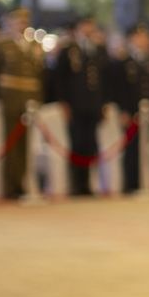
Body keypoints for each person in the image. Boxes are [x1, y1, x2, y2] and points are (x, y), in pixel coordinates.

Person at [49, 16, 106, 196]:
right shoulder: (69, 50)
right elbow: (59, 79)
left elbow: (103, 79)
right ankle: (76, 183)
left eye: (91, 26)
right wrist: (64, 102)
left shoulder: (97, 50)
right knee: (77, 143)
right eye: (85, 26)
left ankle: (88, 184)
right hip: (75, 105)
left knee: (91, 144)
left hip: (93, 105)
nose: (88, 29)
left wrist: (103, 103)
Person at [0, 7, 44, 200]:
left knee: (25, 144)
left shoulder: (34, 45)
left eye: (25, 21)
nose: (22, 24)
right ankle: (10, 185)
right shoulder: (4, 44)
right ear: (11, 23)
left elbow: (39, 76)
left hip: (28, 100)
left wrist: (38, 99)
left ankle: (21, 182)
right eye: (18, 21)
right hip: (10, 99)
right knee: (11, 143)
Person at [106, 23, 149, 194]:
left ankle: (146, 182)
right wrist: (124, 110)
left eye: (145, 37)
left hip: (147, 112)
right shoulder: (123, 63)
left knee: (147, 149)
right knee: (131, 150)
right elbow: (119, 88)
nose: (143, 40)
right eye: (139, 37)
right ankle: (131, 183)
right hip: (130, 113)